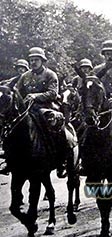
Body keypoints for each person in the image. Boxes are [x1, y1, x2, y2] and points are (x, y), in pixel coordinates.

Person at [13, 47, 77, 176]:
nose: (33, 62)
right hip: (27, 108)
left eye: (36, 60)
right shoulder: (25, 76)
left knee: (55, 127)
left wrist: (35, 96)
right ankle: (11, 157)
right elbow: (17, 91)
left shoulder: (50, 74)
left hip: (46, 108)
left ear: (42, 61)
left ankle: (63, 158)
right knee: (12, 123)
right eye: (31, 60)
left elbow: (53, 93)